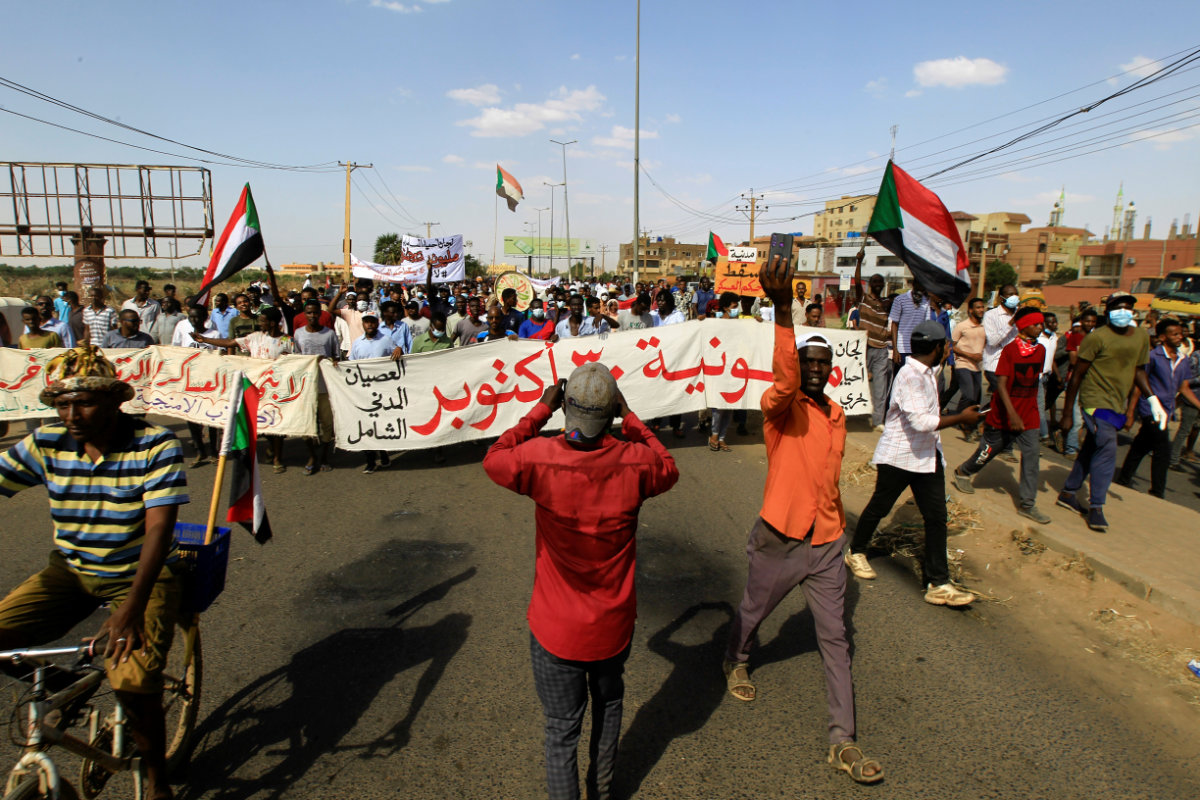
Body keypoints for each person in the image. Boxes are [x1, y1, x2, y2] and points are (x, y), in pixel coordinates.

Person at [0, 345, 189, 800]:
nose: (72, 414)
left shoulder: (155, 443)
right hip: (71, 569)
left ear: (113, 400)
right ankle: (67, 685)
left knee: (133, 680)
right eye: (62, 404)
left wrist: (129, 609)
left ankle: (156, 778)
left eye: (83, 402)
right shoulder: (45, 443)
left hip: (139, 573)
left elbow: (159, 530)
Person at [483, 364, 678, 800]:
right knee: (608, 711)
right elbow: (668, 464)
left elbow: (494, 456)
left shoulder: (539, 458)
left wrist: (538, 410)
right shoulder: (637, 463)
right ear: (610, 414)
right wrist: (631, 418)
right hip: (612, 628)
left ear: (565, 410)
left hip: (555, 632)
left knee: (560, 732)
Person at [723, 254, 883, 786]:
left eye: (821, 364)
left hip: (828, 542)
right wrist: (784, 313)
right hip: (779, 536)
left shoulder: (837, 415)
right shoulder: (779, 406)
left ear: (831, 371)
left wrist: (838, 535)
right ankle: (737, 657)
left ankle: (843, 741)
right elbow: (785, 377)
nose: (813, 370)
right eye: (807, 363)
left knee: (835, 639)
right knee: (753, 610)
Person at [846, 321, 983, 605]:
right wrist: (961, 419)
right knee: (880, 506)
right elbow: (921, 422)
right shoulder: (909, 375)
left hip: (927, 456)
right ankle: (856, 551)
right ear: (936, 348)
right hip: (899, 456)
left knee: (936, 518)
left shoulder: (929, 372)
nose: (947, 348)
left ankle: (938, 583)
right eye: (945, 344)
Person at [1055, 294, 1156, 532]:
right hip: (1094, 401)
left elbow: (1139, 370)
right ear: (1108, 311)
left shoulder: (1141, 336)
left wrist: (1152, 398)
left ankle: (1069, 492)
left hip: (1117, 403)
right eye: (1118, 308)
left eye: (1128, 308)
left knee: (1093, 446)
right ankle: (1097, 506)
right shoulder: (1097, 337)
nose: (1124, 312)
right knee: (1108, 446)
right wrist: (1068, 412)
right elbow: (1077, 375)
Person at [951, 307, 1052, 524]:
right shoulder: (1010, 351)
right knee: (988, 451)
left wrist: (1034, 409)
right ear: (1024, 326)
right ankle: (963, 471)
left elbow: (1034, 383)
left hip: (1029, 414)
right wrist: (1013, 414)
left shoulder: (1041, 350)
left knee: (1032, 456)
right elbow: (1002, 385)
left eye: (1041, 323)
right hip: (1005, 413)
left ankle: (1027, 504)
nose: (1040, 327)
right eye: (1036, 324)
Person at [1115, 317, 1199, 498]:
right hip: (1150, 409)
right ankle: (1157, 491)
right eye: (1174, 334)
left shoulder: (1183, 360)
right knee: (1163, 449)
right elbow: (1139, 385)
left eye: (1180, 334)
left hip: (1166, 411)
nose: (1179, 337)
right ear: (1162, 337)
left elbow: (1183, 388)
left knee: (1141, 446)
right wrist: (1130, 411)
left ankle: (1123, 477)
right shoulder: (1153, 356)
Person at [345, 313, 396, 474]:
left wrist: (399, 349)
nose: (370, 325)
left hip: (382, 392)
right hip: (363, 391)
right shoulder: (357, 343)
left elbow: (397, 356)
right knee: (366, 424)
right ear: (363, 324)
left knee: (380, 424)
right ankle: (370, 461)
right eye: (367, 322)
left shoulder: (386, 340)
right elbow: (350, 365)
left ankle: (383, 453)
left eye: (372, 322)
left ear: (377, 323)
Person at [293, 299, 340, 475]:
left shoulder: (329, 334)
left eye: (315, 313)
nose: (312, 316)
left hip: (325, 387)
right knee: (307, 425)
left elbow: (336, 357)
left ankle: (324, 457)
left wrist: (331, 361)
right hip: (306, 387)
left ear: (320, 314)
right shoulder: (298, 334)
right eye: (309, 313)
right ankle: (312, 456)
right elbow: (297, 358)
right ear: (304, 315)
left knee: (327, 425)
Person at [851, 251, 890, 431]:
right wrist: (859, 262)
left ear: (883, 285)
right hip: (864, 347)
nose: (877, 284)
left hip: (881, 349)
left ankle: (878, 420)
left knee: (880, 388)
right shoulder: (863, 298)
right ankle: (850, 410)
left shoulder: (887, 304)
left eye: (880, 282)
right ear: (871, 284)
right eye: (874, 281)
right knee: (855, 380)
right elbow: (857, 281)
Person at [708, 292, 748, 452]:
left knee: (730, 405)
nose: (736, 309)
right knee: (719, 406)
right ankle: (714, 434)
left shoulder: (740, 323)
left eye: (737, 306)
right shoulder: (717, 322)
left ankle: (723, 437)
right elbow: (711, 340)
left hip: (735, 368)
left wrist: (758, 323)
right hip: (719, 367)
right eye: (733, 306)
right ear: (725, 307)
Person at [951, 298, 986, 434]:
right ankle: (959, 419)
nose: (981, 310)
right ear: (970, 310)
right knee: (969, 394)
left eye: (982, 307)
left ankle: (968, 421)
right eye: (977, 307)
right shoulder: (962, 326)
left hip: (977, 366)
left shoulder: (984, 327)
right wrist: (969, 355)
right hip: (963, 363)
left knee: (976, 398)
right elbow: (952, 345)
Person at [886, 279, 934, 366]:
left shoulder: (926, 302)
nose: (922, 287)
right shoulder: (900, 300)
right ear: (914, 284)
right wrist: (895, 350)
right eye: (919, 284)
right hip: (902, 349)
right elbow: (894, 325)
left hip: (918, 350)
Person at [1037, 312, 1059, 440]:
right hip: (1037, 376)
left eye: (1054, 322)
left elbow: (1053, 358)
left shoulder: (1054, 338)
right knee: (1040, 405)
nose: (1053, 325)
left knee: (1043, 404)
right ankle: (1044, 434)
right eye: (1049, 322)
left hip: (1047, 375)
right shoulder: (1038, 338)